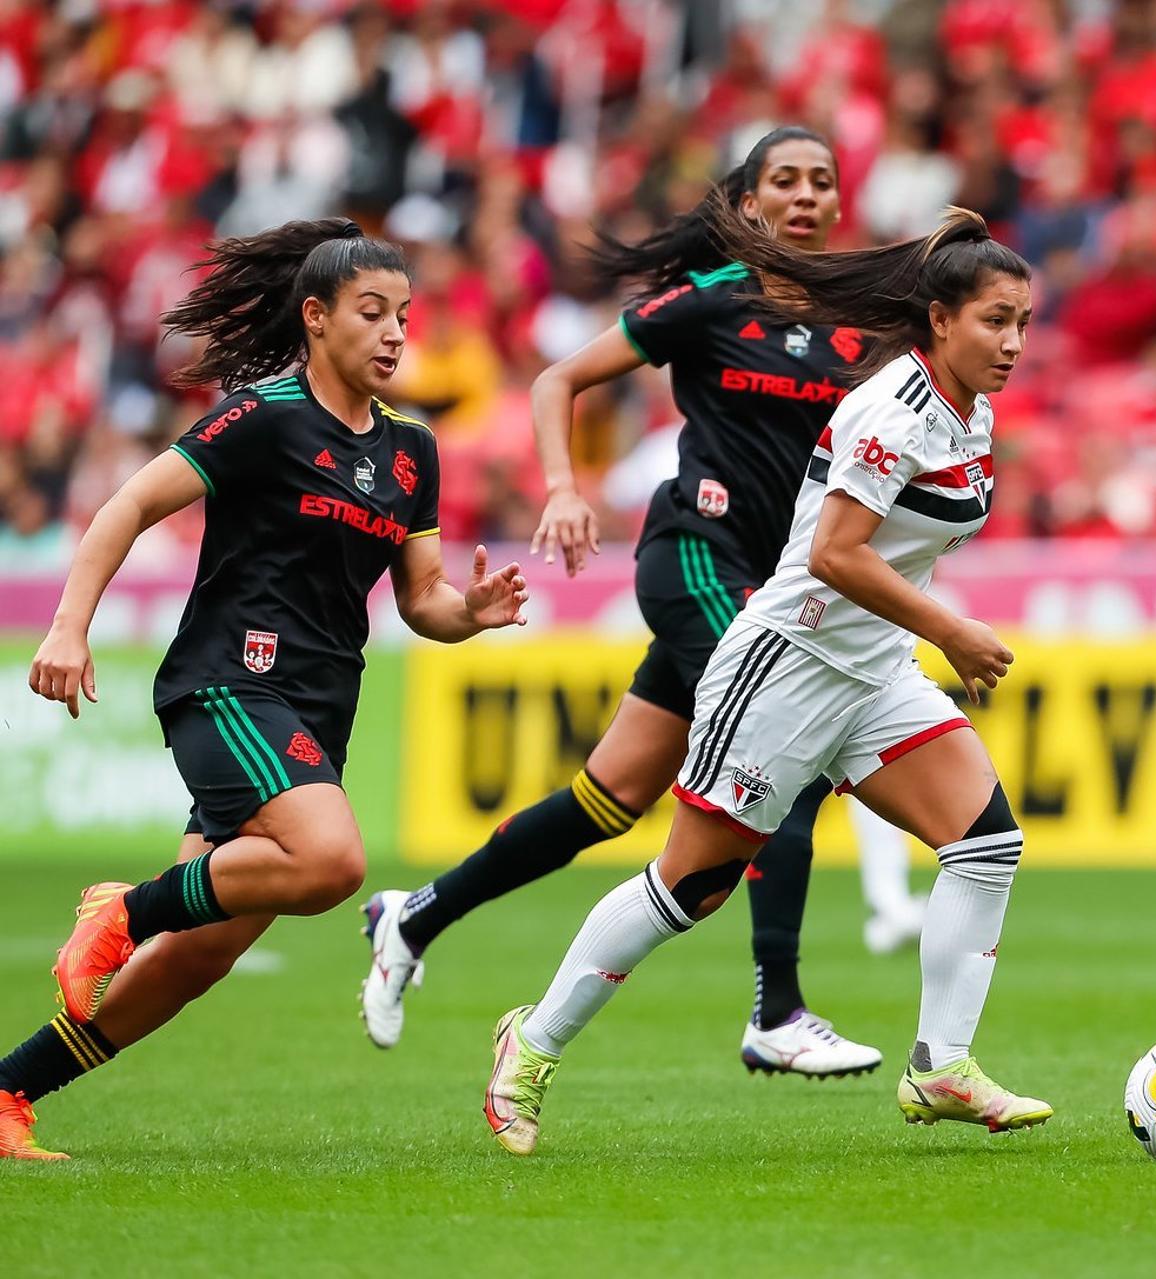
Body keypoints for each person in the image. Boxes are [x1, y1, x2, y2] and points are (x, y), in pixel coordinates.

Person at [482, 207, 1047, 1155]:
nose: (1014, 343)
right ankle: (528, 1047)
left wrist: (921, 638)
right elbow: (834, 554)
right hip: (788, 663)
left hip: (872, 673)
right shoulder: (890, 410)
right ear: (940, 320)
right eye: (996, 320)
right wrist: (950, 629)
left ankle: (941, 1065)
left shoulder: (972, 413)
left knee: (986, 845)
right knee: (689, 888)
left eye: (1024, 323)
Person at [359, 127, 917, 1077]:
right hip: (694, 552)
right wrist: (563, 487)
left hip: (778, 580)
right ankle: (776, 1011)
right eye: (785, 179)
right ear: (747, 204)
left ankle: (413, 915)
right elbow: (556, 379)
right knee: (785, 745)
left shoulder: (862, 320)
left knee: (607, 800)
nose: (808, 196)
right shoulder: (708, 302)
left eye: (823, 181)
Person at [0, 218, 528, 1161]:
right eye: (374, 312)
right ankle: (122, 910)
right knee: (331, 863)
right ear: (317, 318)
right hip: (228, 686)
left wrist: (472, 611)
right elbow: (129, 504)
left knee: (201, 957)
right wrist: (70, 625)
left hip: (317, 711)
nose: (397, 332)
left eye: (406, 314)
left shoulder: (413, 450)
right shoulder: (264, 415)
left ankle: (9, 1090)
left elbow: (423, 601)